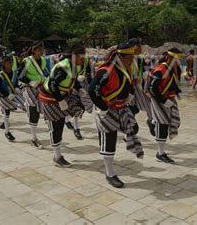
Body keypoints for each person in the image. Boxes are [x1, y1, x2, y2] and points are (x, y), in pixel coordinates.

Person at [88, 42, 143, 188]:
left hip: (121, 107)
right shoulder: (106, 71)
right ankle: (110, 173)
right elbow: (92, 90)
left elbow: (128, 83)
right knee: (109, 140)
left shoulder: (126, 68)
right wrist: (103, 107)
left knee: (133, 127)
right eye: (129, 57)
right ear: (120, 57)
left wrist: (130, 95)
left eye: (132, 57)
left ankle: (124, 135)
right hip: (106, 109)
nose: (132, 60)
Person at [38, 42, 87, 167]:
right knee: (56, 124)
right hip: (50, 96)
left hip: (63, 94)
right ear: (74, 55)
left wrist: (78, 87)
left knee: (79, 108)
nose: (84, 59)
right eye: (82, 56)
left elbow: (73, 79)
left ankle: (71, 124)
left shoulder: (74, 65)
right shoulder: (63, 67)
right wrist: (60, 100)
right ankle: (57, 156)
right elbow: (52, 85)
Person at [146, 48, 183, 164]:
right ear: (170, 58)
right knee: (163, 125)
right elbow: (152, 88)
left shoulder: (173, 69)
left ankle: (152, 122)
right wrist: (163, 100)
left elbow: (172, 82)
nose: (178, 62)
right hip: (160, 100)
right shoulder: (160, 70)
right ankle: (160, 153)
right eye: (176, 60)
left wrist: (177, 92)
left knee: (175, 122)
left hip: (170, 99)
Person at [18, 41, 51, 148]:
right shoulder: (26, 61)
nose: (42, 51)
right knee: (33, 111)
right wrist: (32, 82)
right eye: (39, 49)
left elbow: (44, 73)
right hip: (29, 88)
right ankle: (33, 138)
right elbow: (20, 76)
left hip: (40, 87)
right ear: (33, 50)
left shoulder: (43, 60)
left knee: (44, 108)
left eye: (42, 49)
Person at [0, 55, 26, 142]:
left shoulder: (14, 72)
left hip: (14, 95)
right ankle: (7, 131)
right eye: (8, 62)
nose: (10, 64)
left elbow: (16, 83)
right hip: (4, 97)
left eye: (11, 62)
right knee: (6, 114)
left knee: (25, 106)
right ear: (3, 63)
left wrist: (17, 87)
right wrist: (6, 95)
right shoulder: (0, 75)